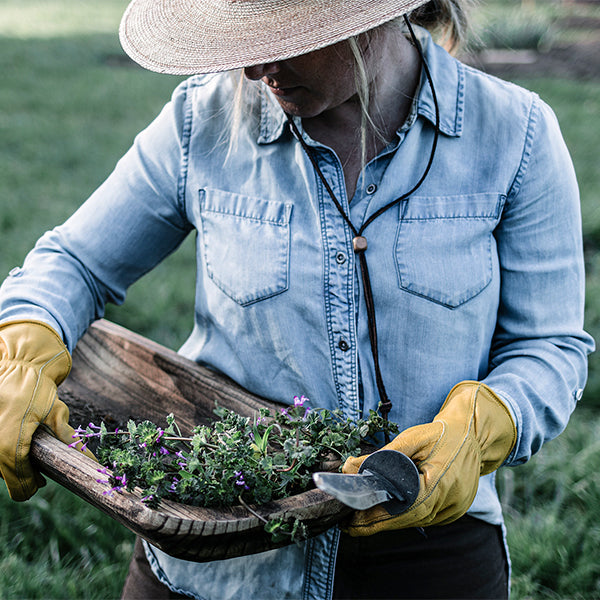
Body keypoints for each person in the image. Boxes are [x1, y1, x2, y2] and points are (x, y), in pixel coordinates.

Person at [0, 0, 594, 598]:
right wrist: (26, 343)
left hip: (423, 550)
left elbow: (550, 346)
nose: (256, 70)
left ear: (371, 17)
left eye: (284, 38)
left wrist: (487, 419)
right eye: (244, 38)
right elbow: (74, 262)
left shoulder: (515, 136)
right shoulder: (201, 120)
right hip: (219, 559)